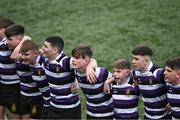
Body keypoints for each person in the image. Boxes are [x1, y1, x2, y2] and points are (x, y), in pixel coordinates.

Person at [41, 36, 97, 119]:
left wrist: (89, 68)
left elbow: (90, 60)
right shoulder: (45, 60)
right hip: (53, 107)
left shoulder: (65, 62)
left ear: (54, 50)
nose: (42, 48)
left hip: (69, 109)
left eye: (46, 46)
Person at [5, 24, 43, 119]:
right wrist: (23, 40)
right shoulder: (19, 51)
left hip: (35, 96)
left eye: (10, 39)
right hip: (24, 94)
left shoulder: (27, 53)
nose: (6, 42)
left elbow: (13, 57)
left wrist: (23, 40)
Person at [71, 45, 114, 119]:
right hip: (91, 114)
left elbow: (118, 77)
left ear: (86, 60)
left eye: (77, 58)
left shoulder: (100, 72)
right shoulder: (75, 72)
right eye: (73, 57)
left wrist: (108, 82)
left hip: (107, 114)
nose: (73, 60)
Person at [131, 46, 170, 119]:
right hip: (147, 116)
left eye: (136, 59)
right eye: (133, 58)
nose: (133, 61)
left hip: (164, 117)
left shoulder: (158, 73)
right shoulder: (135, 73)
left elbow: (176, 83)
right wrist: (108, 81)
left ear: (146, 60)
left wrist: (172, 103)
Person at [20, 40, 50, 119]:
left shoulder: (45, 64)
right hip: (44, 101)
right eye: (22, 54)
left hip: (50, 103)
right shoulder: (27, 62)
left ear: (36, 54)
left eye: (26, 54)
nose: (23, 57)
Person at [0, 16, 21, 119]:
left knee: (16, 115)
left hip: (14, 85)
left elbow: (26, 40)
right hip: (3, 83)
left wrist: (25, 38)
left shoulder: (11, 43)